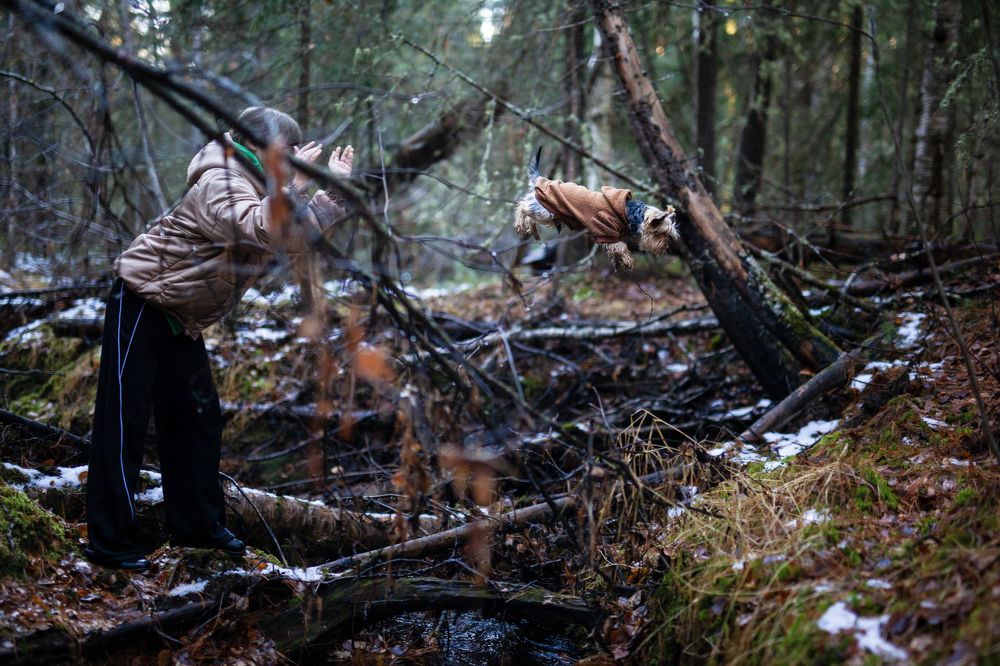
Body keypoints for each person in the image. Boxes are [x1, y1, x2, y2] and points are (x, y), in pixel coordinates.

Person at [84, 107, 353, 570]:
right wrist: (297, 186)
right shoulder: (220, 179)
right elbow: (261, 228)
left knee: (197, 421)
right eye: (288, 151)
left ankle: (196, 528)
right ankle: (111, 544)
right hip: (143, 299)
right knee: (124, 421)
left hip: (179, 315)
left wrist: (333, 193)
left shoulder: (257, 185)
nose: (294, 159)